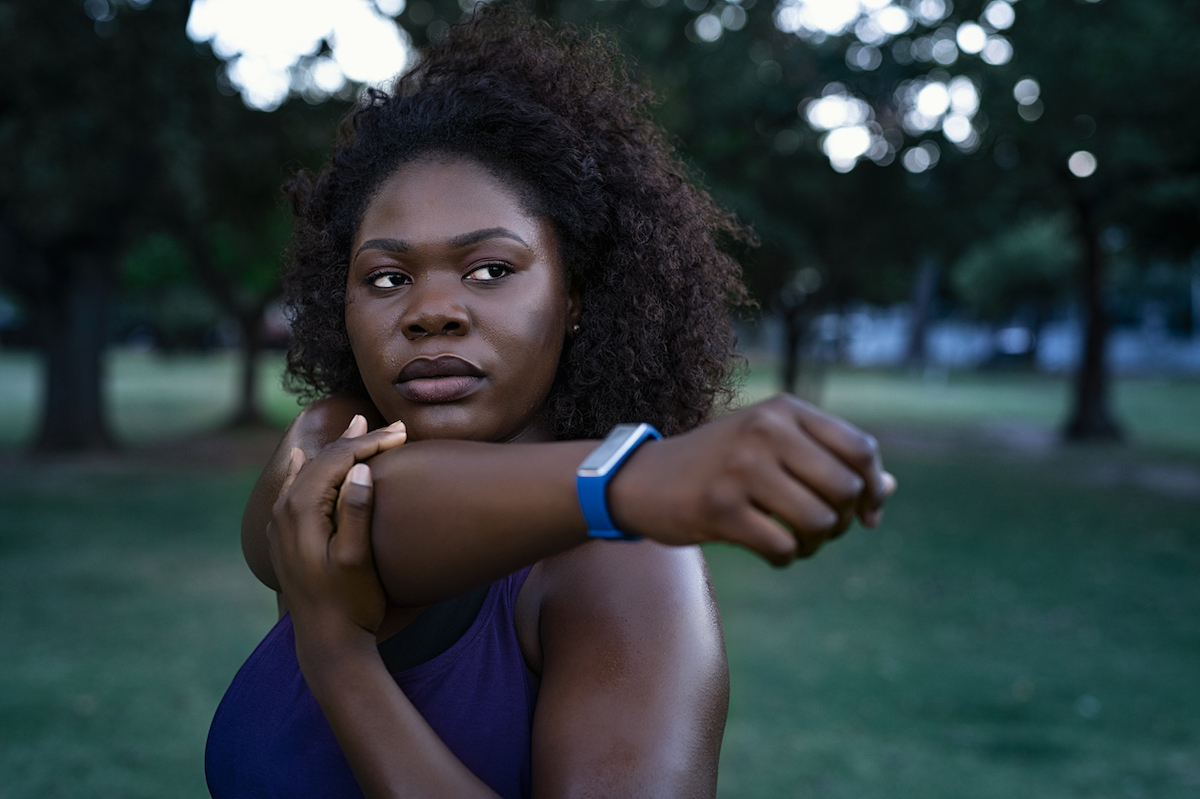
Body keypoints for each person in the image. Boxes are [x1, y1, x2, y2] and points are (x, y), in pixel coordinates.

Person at [204, 6, 896, 798]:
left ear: (574, 297)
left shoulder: (629, 568)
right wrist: (636, 480)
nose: (431, 309)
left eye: (491, 268)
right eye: (388, 277)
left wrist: (340, 658)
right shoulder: (327, 439)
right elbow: (363, 507)